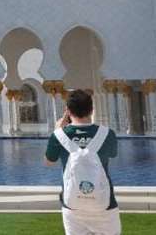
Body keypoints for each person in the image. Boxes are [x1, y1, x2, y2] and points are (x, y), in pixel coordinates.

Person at [45, 89, 120, 235]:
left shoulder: (59, 135)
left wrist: (57, 131)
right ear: (92, 110)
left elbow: (49, 162)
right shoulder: (107, 134)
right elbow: (112, 154)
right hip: (104, 204)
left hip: (73, 204)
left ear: (68, 111)